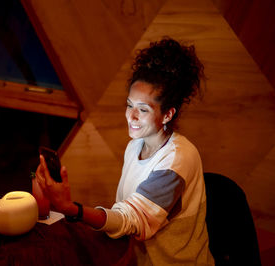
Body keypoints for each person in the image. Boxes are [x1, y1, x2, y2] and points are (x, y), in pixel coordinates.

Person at [36, 37, 214, 265]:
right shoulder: (134, 147)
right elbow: (126, 216)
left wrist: (71, 208)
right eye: (129, 105)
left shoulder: (178, 159)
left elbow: (130, 219)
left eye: (143, 109)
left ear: (168, 114)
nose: (132, 116)